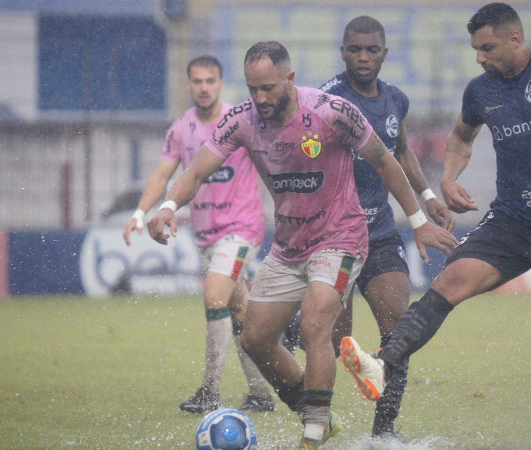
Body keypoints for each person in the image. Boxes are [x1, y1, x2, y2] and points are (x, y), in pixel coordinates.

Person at [338, 4, 531, 449]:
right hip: (513, 222)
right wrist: (448, 177)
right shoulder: (479, 90)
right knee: (447, 284)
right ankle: (381, 364)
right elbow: (460, 138)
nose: (480, 57)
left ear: (513, 38)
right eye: (475, 49)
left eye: (486, 47)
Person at [147, 41, 458, 448]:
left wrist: (417, 219)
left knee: (315, 321)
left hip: (341, 237)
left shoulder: (332, 112)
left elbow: (384, 159)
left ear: (289, 78)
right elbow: (198, 169)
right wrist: (169, 205)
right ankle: (320, 417)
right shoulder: (242, 119)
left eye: (269, 88)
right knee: (255, 339)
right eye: (252, 89)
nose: (260, 98)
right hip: (289, 246)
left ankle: (313, 433)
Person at [290, 15, 455, 444]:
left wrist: (428, 196)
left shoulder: (396, 100)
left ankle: (384, 432)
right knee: (331, 336)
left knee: (398, 326)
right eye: (354, 49)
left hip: (380, 232)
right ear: (343, 52)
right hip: (331, 235)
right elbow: (304, 153)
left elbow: (399, 153)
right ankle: (292, 330)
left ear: (384, 53)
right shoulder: (326, 98)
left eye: (371, 50)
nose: (363, 57)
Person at [122, 55, 275, 414]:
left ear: (221, 84)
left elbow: (271, 163)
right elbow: (162, 177)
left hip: (242, 228)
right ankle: (262, 393)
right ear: (188, 84)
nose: (204, 87)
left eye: (210, 81)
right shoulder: (181, 129)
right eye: (197, 81)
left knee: (213, 297)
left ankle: (209, 391)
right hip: (206, 235)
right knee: (240, 310)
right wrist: (141, 214)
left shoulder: (241, 120)